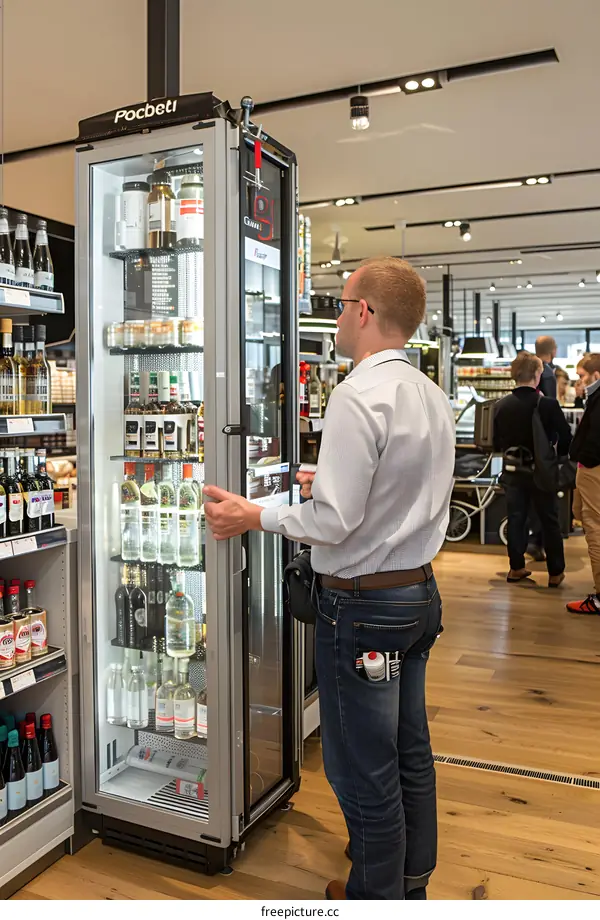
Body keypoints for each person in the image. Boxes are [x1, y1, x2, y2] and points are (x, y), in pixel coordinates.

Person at [202, 257, 456, 900]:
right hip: (417, 595)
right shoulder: (429, 393)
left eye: (342, 304)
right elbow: (400, 491)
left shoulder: (356, 393)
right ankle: (411, 883)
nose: (338, 315)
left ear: (364, 312)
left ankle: (375, 898)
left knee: (360, 769)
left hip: (364, 606)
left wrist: (253, 514)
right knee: (409, 752)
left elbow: (336, 521)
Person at [493, 351, 572, 587]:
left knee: (517, 518)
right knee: (549, 520)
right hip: (541, 471)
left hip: (513, 472)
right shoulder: (547, 404)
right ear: (537, 375)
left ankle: (516, 567)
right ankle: (555, 572)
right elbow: (566, 437)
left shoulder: (501, 406)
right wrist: (555, 454)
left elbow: (496, 442)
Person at [566, 353, 600, 614]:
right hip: (589, 469)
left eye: (582, 376)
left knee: (594, 529)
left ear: (595, 375)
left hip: (592, 470)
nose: (579, 382)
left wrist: (583, 459)